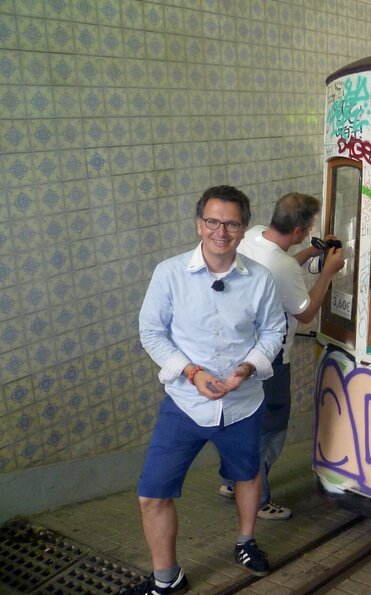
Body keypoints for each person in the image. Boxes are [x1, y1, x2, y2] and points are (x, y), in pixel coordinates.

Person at [132, 186, 286, 594]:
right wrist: (191, 372)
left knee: (248, 474)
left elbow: (273, 332)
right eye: (213, 221)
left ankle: (245, 541)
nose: (221, 231)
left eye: (232, 223)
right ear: (199, 224)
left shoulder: (260, 279)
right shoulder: (170, 273)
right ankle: (168, 579)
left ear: (243, 228)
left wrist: (248, 367)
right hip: (184, 403)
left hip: (242, 402)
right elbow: (151, 332)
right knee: (152, 493)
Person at [218, 192, 345, 520]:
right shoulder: (283, 265)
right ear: (300, 229)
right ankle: (258, 499)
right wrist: (327, 271)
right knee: (270, 430)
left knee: (242, 422)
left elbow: (280, 266)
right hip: (269, 361)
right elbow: (305, 313)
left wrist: (313, 252)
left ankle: (232, 482)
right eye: (309, 229)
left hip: (236, 352)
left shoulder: (252, 235)